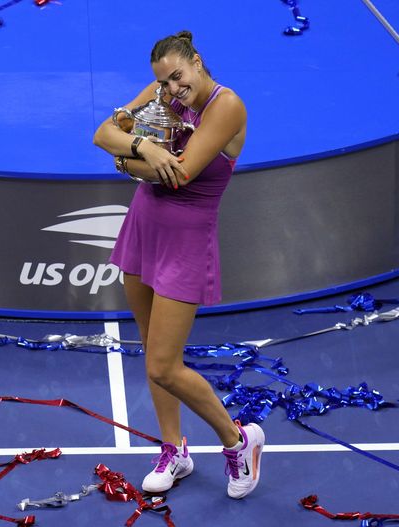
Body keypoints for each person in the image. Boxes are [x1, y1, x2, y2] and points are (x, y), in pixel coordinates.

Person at [92, 31, 264, 499]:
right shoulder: (160, 92)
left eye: (178, 76)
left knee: (166, 365)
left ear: (198, 62)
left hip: (187, 242)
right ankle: (175, 449)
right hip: (144, 227)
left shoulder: (228, 107)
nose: (172, 90)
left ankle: (239, 440)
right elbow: (103, 133)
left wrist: (125, 160)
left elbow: (181, 173)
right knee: (153, 358)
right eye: (164, 82)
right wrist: (144, 149)